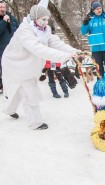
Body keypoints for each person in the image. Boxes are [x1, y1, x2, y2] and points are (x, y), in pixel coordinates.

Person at [1, 0, 79, 130]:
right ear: (34, 18)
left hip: (28, 64)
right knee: (29, 92)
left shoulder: (45, 29)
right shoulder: (24, 31)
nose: (45, 22)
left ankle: (9, 110)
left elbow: (56, 42)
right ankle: (35, 122)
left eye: (47, 20)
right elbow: (38, 49)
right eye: (43, 19)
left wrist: (74, 51)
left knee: (19, 90)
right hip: (15, 64)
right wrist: (64, 57)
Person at [80, 0, 105, 80]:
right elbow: (83, 32)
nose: (99, 10)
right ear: (93, 10)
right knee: (99, 69)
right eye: (97, 9)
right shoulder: (90, 19)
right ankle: (100, 87)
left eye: (100, 8)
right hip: (96, 49)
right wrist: (85, 23)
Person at [0, 1, 19, 93]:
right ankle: (3, 87)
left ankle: (13, 87)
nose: (3, 9)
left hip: (13, 49)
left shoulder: (12, 18)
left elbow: (18, 31)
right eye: (0, 7)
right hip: (1, 50)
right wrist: (3, 21)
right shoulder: (4, 19)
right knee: (3, 70)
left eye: (4, 7)